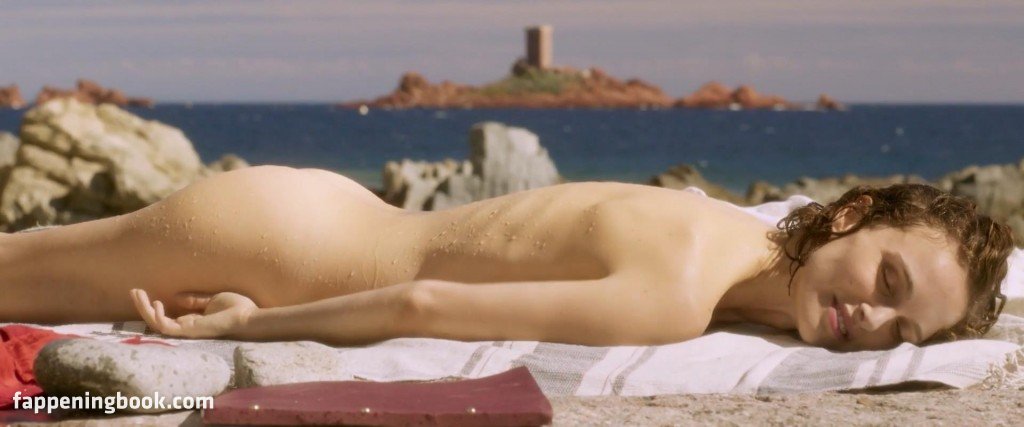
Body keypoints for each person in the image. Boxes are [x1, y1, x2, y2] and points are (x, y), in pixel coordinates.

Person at [0, 165, 1012, 351]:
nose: (872, 318)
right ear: (848, 216)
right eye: (886, 280)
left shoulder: (741, 228)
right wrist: (248, 326)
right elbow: (424, 306)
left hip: (315, 219)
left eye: (902, 327)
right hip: (278, 252)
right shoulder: (675, 294)